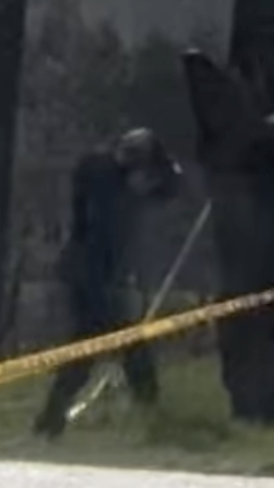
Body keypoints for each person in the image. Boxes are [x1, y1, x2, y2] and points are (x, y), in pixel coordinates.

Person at [34, 127, 182, 438]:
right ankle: (152, 413)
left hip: (93, 275)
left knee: (96, 350)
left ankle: (51, 419)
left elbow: (169, 187)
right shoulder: (104, 183)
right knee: (115, 346)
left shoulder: (115, 181)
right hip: (89, 277)